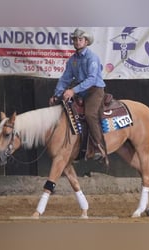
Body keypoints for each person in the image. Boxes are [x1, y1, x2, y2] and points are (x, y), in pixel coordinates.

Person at [49, 28, 108, 165]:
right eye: (75, 39)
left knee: (90, 114)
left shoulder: (91, 58)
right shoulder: (72, 60)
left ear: (86, 41)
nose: (77, 42)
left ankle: (99, 147)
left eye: (80, 39)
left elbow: (92, 79)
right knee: (68, 111)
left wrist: (73, 91)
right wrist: (56, 94)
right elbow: (65, 78)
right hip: (81, 91)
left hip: (95, 90)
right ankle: (74, 149)